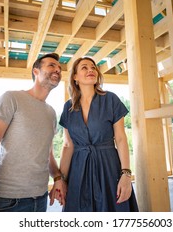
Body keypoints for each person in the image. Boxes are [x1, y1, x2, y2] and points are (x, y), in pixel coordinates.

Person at [0, 53, 66, 212]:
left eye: (59, 68)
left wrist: (57, 177)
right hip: (8, 200)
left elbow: (48, 154)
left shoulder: (51, 113)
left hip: (40, 198)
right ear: (36, 71)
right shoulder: (12, 98)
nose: (58, 69)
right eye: (51, 65)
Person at [57, 57, 139, 211]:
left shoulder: (111, 99)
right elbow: (68, 145)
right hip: (78, 171)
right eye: (84, 67)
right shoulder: (68, 107)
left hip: (109, 168)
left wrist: (126, 175)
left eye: (93, 67)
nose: (91, 70)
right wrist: (61, 180)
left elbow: (121, 139)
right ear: (75, 77)